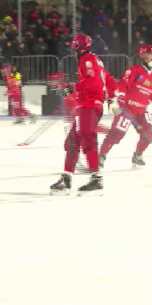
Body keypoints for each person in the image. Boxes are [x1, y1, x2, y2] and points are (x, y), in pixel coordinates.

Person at [50, 33, 112, 195]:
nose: (72, 49)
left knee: (87, 138)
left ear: (79, 46)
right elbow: (105, 79)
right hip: (87, 104)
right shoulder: (94, 59)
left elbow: (92, 81)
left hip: (89, 104)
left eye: (73, 46)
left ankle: (96, 179)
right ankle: (66, 178)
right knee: (72, 142)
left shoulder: (87, 59)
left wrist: (72, 88)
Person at [98, 45, 152, 168]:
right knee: (116, 134)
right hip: (127, 108)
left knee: (148, 134)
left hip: (141, 110)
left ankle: (137, 155)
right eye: (150, 54)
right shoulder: (133, 70)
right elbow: (123, 84)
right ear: (142, 56)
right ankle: (100, 156)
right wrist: (120, 98)